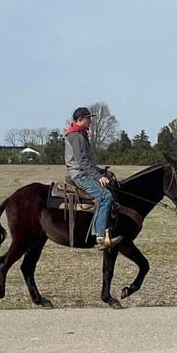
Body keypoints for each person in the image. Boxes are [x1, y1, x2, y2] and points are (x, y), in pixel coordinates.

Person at [64, 106, 123, 250]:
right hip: (80, 175)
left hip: (85, 172)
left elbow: (87, 162)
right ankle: (100, 236)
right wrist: (98, 177)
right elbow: (82, 161)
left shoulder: (80, 134)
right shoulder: (76, 136)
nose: (90, 121)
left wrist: (102, 172)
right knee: (105, 197)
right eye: (88, 118)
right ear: (80, 120)